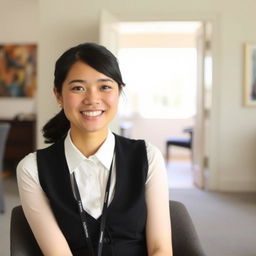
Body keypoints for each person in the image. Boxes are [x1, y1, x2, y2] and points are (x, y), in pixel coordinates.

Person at [17, 42, 172, 256]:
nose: (92, 99)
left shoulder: (148, 157)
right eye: (78, 88)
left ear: (119, 92)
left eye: (105, 86)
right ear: (58, 95)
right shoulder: (32, 169)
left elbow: (160, 249)